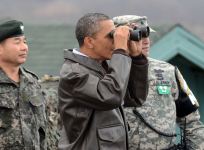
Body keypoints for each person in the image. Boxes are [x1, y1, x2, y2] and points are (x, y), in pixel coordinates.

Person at [113, 15, 204, 150]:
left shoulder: (167, 70)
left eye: (147, 34)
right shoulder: (104, 70)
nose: (146, 41)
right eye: (138, 35)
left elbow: (191, 121)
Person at [58, 13, 149, 150]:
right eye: (111, 36)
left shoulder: (99, 66)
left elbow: (135, 98)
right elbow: (111, 97)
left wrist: (136, 57)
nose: (115, 40)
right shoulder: (74, 74)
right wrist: (120, 52)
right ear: (89, 42)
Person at [0, 20, 47, 149]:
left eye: (24, 42)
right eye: (17, 42)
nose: (24, 47)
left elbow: (41, 132)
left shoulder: (32, 82)